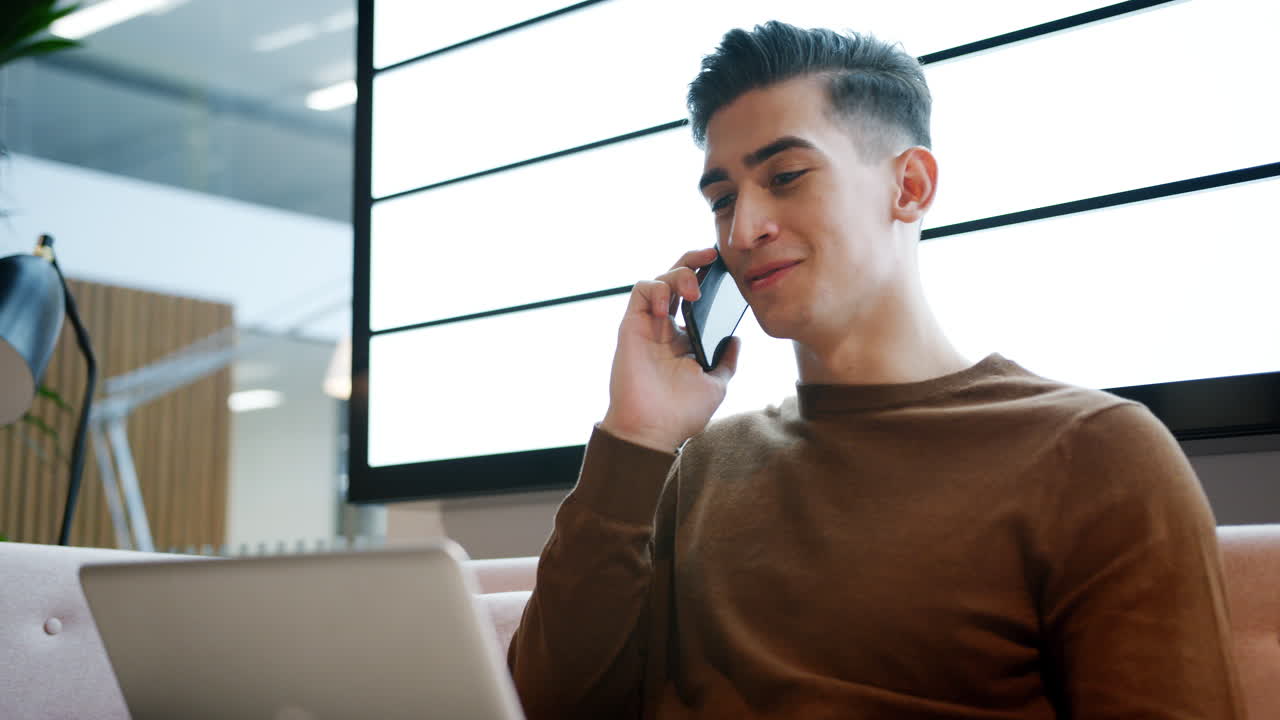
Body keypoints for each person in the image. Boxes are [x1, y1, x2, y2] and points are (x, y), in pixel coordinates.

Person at [508, 21, 1243, 720]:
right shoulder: (694, 471)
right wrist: (633, 435)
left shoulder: (1094, 454)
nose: (743, 230)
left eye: (787, 176)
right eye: (723, 199)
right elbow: (546, 706)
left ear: (911, 186)